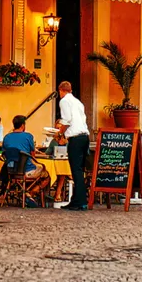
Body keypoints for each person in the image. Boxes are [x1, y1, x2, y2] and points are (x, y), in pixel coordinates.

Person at [57, 81, 90, 211]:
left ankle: (80, 201)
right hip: (84, 137)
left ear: (61, 90)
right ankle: (76, 199)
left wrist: (60, 133)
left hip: (75, 138)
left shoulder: (64, 101)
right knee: (80, 170)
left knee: (75, 170)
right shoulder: (78, 102)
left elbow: (66, 120)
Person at [1, 115, 48, 193]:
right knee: (46, 174)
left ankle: (24, 192)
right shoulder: (28, 136)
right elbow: (33, 154)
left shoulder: (6, 137)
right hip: (27, 171)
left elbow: (4, 153)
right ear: (23, 125)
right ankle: (31, 193)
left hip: (11, 171)